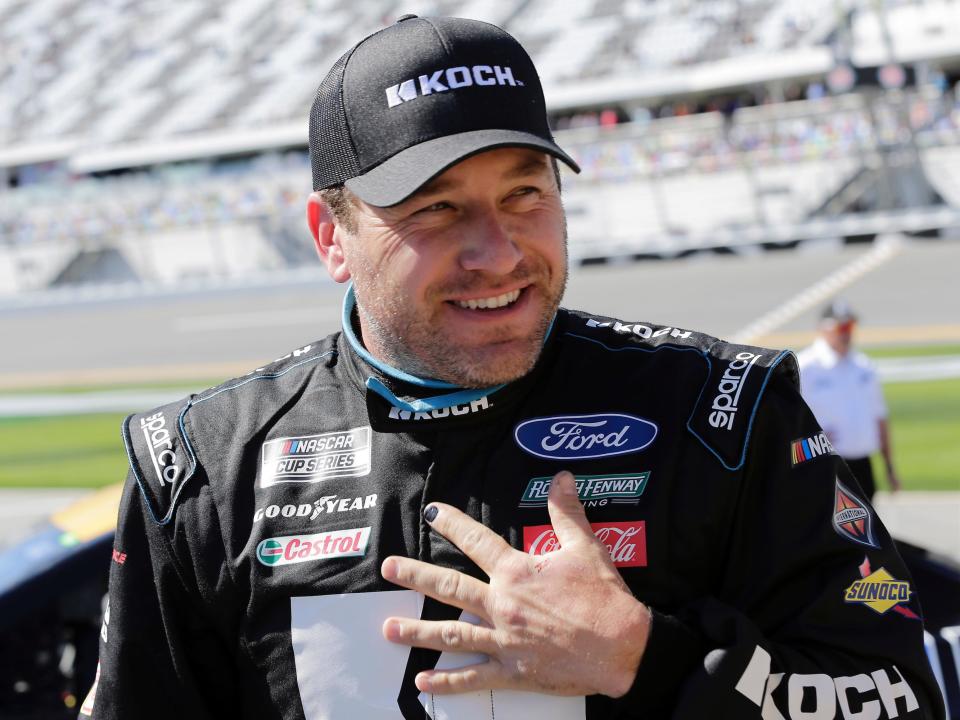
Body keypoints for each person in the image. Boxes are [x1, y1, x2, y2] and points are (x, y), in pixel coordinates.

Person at [79, 15, 942, 720]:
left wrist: (647, 659)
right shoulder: (202, 464)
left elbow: (896, 697)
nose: (497, 254)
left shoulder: (728, 416)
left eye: (525, 194)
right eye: (436, 209)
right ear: (329, 237)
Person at [798, 300, 900, 500]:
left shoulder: (863, 366)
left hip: (862, 463)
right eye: (840, 326)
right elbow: (789, 422)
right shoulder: (806, 367)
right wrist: (809, 448)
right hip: (825, 464)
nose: (846, 333)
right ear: (824, 329)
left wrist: (889, 466)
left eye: (849, 326)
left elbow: (879, 417)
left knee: (865, 526)